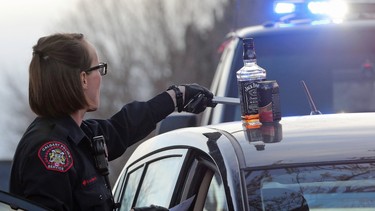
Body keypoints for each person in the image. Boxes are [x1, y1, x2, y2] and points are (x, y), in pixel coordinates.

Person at [9, 33, 214, 211]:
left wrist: (176, 97)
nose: (101, 76)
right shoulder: (51, 152)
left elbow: (122, 127)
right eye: (98, 68)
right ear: (83, 79)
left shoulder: (79, 135)